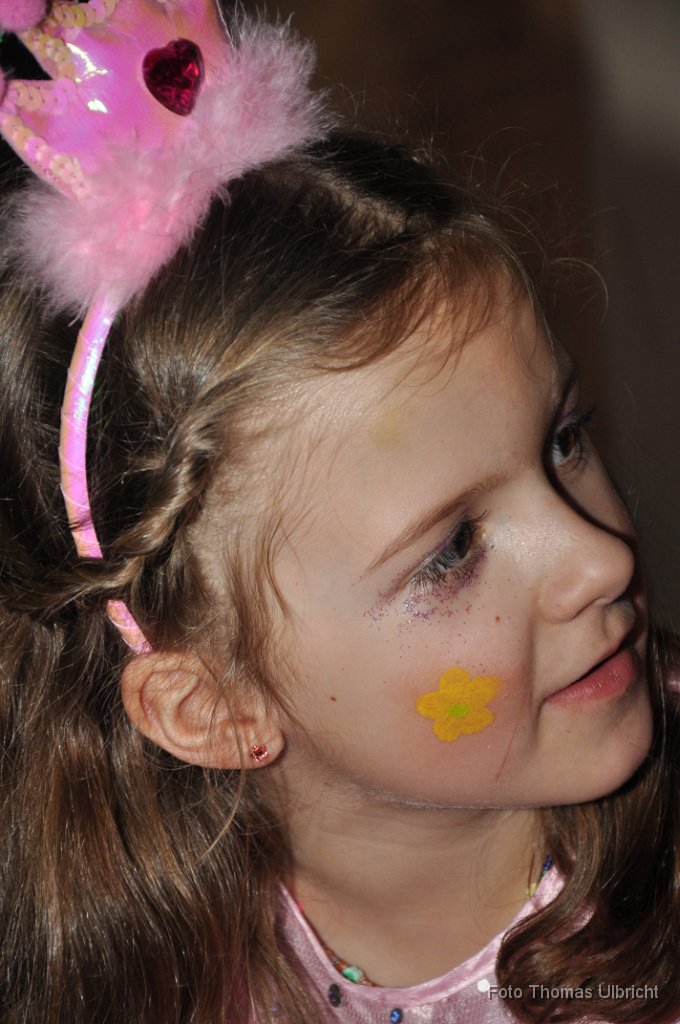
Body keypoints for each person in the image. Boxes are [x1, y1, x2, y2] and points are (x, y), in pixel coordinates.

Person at [0, 2, 678, 1023]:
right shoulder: (165, 985)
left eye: (562, 440)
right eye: (451, 549)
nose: (599, 559)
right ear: (213, 707)